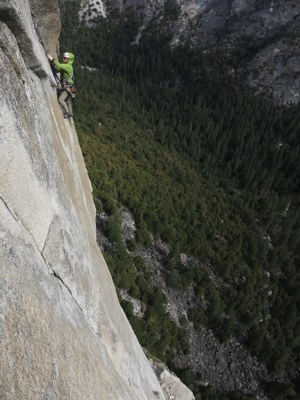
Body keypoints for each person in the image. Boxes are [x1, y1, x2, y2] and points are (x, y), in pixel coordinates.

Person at [47, 52, 75, 118]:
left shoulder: (69, 67)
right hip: (66, 87)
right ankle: (65, 111)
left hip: (68, 88)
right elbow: (57, 69)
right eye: (63, 57)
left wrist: (52, 59)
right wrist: (52, 64)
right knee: (61, 99)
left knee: (60, 100)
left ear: (69, 59)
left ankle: (68, 112)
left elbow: (59, 65)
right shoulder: (65, 66)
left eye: (65, 58)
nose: (63, 58)